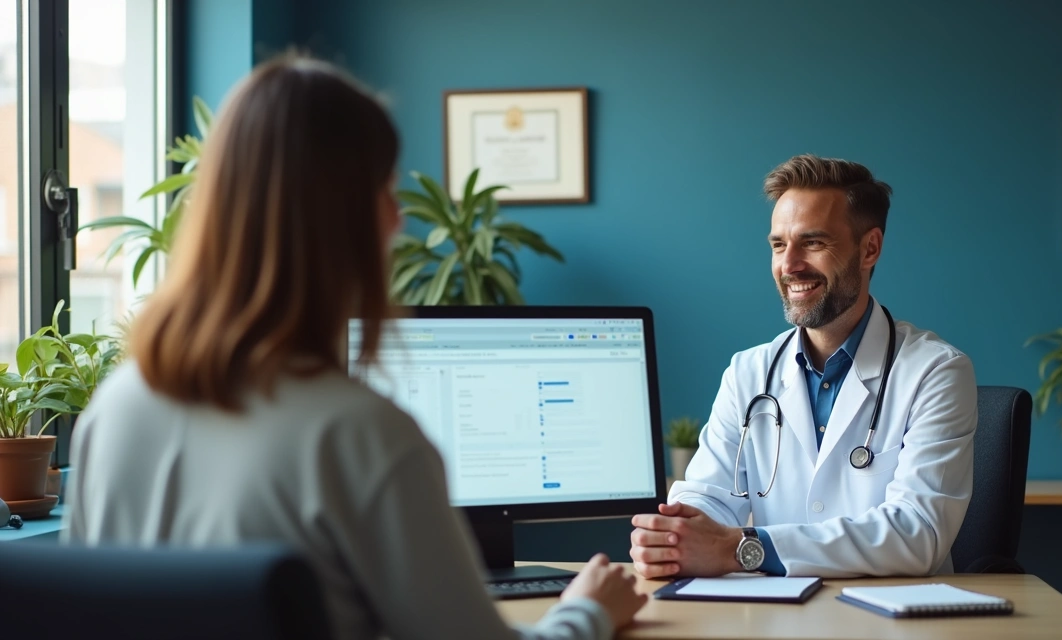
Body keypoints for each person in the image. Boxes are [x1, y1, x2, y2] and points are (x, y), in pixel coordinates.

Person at [61, 55, 646, 640]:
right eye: (383, 191)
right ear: (338, 218)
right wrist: (589, 610)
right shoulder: (362, 437)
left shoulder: (114, 410)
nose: (396, 220)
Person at [629, 154, 977, 579]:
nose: (789, 265)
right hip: (773, 614)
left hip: (889, 618)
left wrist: (742, 548)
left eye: (812, 242)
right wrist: (675, 536)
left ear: (870, 249)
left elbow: (916, 533)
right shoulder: (748, 373)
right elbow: (710, 498)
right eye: (778, 245)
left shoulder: (935, 373)